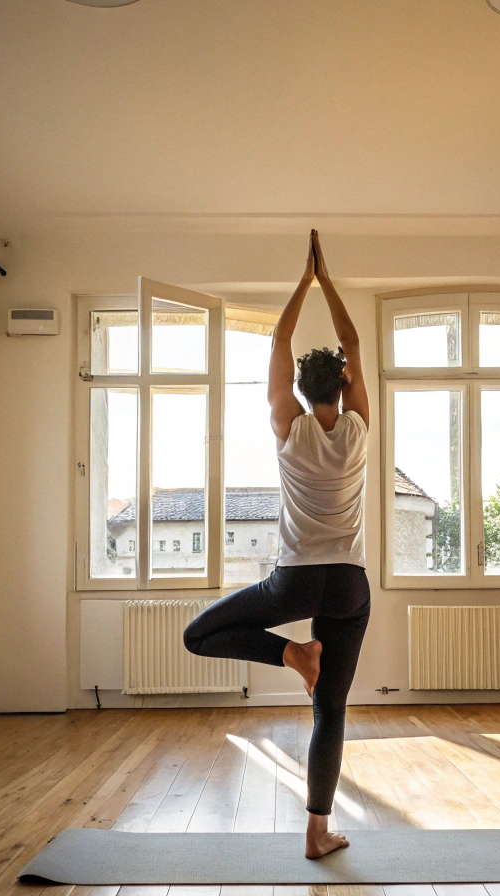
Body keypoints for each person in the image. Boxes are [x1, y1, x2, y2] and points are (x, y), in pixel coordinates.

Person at [184, 230, 370, 859]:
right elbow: (351, 343)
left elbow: (278, 343)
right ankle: (317, 834)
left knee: (198, 634)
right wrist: (328, 281)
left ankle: (293, 655)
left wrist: (304, 281)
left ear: (299, 388)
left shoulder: (287, 425)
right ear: (343, 384)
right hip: (348, 584)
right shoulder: (357, 429)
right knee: (330, 711)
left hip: (295, 578)